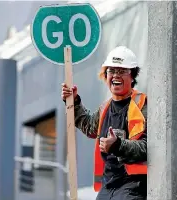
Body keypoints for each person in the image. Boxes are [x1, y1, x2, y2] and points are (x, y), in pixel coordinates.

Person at [61, 46, 147, 200]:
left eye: (121, 71)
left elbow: (148, 146)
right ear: (105, 75)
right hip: (109, 185)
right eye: (111, 71)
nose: (115, 75)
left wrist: (118, 145)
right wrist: (73, 102)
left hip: (133, 186)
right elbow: (88, 125)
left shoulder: (142, 106)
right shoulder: (105, 108)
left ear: (132, 76)